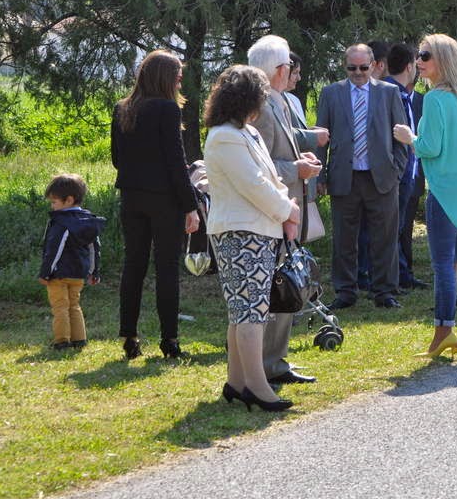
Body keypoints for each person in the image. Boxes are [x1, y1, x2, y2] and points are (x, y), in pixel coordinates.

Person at [202, 65, 300, 412]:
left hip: (259, 230)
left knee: (246, 310)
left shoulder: (246, 133)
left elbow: (270, 178)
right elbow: (251, 184)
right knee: (250, 313)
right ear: (247, 98)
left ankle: (238, 382)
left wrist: (287, 206)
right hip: (239, 232)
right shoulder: (224, 136)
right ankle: (258, 387)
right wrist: (286, 211)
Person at [394, 35, 457, 355]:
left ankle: (443, 331)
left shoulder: (435, 98)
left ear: (442, 60)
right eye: (419, 55)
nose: (418, 61)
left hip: (445, 193)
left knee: (444, 266)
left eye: (425, 55)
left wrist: (409, 137)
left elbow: (429, 147)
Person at [111, 50, 200, 360]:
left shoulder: (122, 108)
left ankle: (129, 336)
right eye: (176, 74)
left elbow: (116, 159)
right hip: (164, 199)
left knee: (133, 265)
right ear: (164, 77)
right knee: (166, 269)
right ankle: (169, 340)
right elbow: (177, 162)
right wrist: (191, 205)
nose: (180, 79)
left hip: (131, 197)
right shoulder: (166, 110)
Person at [248, 35, 320, 386]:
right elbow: (257, 167)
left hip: (284, 210)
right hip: (271, 211)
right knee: (274, 289)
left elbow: (279, 151)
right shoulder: (260, 106)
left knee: (284, 286)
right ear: (279, 69)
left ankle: (275, 361)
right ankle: (263, 365)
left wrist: (299, 160)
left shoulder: (276, 100)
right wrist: (296, 169)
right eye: (289, 66)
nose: (292, 71)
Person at [316, 43, 409, 310]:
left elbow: (401, 137)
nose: (357, 72)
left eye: (363, 67)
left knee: (385, 237)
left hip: (381, 177)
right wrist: (319, 174)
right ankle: (345, 291)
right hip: (344, 177)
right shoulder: (331, 93)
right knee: (344, 239)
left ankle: (385, 292)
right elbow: (321, 138)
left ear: (374, 65)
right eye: (352, 68)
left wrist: (397, 171)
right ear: (345, 67)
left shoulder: (389, 93)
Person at [38, 174, 105, 351]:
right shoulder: (88, 221)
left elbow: (54, 250)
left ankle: (62, 340)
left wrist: (45, 272)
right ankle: (79, 339)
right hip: (79, 274)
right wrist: (94, 271)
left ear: (68, 200)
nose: (52, 207)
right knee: (74, 305)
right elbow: (94, 248)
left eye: (54, 202)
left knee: (60, 307)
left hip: (58, 274)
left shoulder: (61, 222)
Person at [386, 43, 428, 290]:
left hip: (409, 174)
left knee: (401, 228)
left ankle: (402, 273)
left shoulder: (401, 93)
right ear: (410, 65)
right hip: (396, 174)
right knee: (392, 228)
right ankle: (391, 278)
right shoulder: (390, 92)